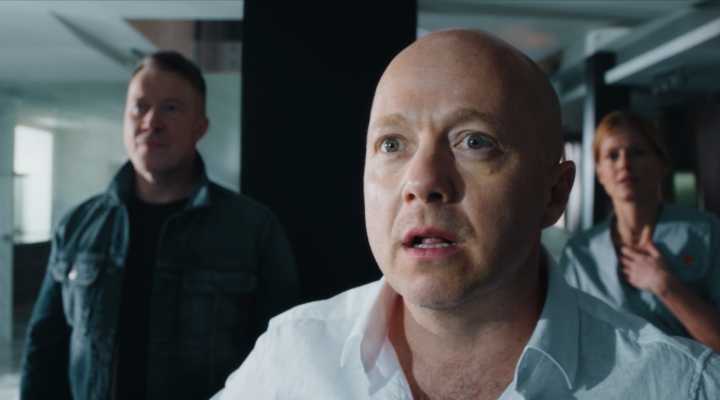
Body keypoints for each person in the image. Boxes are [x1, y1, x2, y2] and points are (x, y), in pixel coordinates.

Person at [214, 30, 720, 399]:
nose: (422, 181)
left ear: (554, 194)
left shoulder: (679, 386)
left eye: (474, 142)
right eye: (392, 144)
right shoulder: (290, 357)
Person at [20, 51, 299, 400]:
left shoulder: (253, 229)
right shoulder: (78, 227)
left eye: (171, 108)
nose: (151, 121)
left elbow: (283, 357)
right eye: (140, 107)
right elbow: (44, 352)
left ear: (201, 127)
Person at [560, 110, 720, 351]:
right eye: (612, 155)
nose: (624, 164)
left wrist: (666, 286)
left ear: (661, 163)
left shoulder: (705, 232)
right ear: (599, 172)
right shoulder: (580, 255)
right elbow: (567, 341)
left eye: (637, 152)